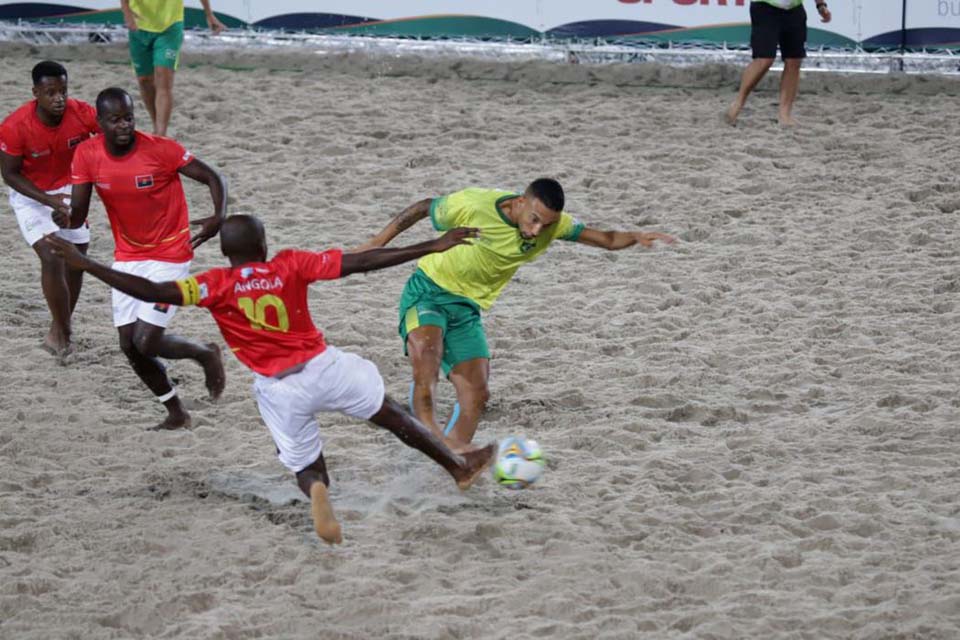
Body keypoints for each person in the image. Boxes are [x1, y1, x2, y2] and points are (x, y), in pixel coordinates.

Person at [44, 216, 496, 544]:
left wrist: (89, 265)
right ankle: (457, 466)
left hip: (279, 388)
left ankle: (318, 491)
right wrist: (430, 245)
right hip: (324, 367)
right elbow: (360, 262)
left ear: (227, 253)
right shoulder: (290, 265)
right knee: (389, 411)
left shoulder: (214, 284)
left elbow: (153, 291)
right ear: (263, 244)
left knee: (305, 463)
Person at [355, 178, 675, 448]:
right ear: (520, 202)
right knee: (428, 358)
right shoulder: (475, 205)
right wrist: (375, 243)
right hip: (427, 292)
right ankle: (430, 439)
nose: (536, 231)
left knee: (477, 395)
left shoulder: (552, 225)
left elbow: (605, 239)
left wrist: (635, 237)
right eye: (533, 219)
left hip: (466, 309)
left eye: (545, 225)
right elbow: (424, 207)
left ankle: (451, 459)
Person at [61, 87, 227, 430]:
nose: (124, 125)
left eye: (129, 118)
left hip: (171, 252)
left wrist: (218, 216)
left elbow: (213, 177)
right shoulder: (87, 155)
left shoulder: (161, 149)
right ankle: (176, 413)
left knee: (147, 340)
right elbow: (77, 215)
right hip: (128, 255)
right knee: (129, 346)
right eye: (115, 120)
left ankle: (204, 352)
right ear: (100, 123)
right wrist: (61, 219)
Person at [0, 61, 100, 358]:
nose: (59, 98)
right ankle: (62, 332)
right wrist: (49, 201)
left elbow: (109, 137)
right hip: (32, 195)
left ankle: (60, 327)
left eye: (63, 91)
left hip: (70, 189)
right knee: (51, 254)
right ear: (36, 93)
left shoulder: (81, 113)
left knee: (77, 258)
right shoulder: (15, 126)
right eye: (51, 92)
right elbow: (10, 174)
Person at [120, 0, 225, 137]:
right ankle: (156, 127)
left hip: (170, 27)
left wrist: (209, 14)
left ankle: (161, 134)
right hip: (139, 26)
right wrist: (127, 13)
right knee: (144, 80)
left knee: (164, 79)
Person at [724, 0, 832, 127]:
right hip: (765, 7)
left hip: (794, 8)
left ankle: (784, 115)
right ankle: (738, 103)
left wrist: (820, 5)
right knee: (764, 59)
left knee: (794, 60)